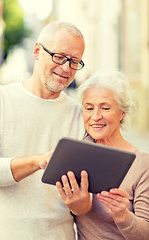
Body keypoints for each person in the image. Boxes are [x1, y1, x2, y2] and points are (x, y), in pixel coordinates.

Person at [0, 21, 88, 240]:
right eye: (59, 57)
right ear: (36, 51)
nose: (66, 68)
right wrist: (38, 161)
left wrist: (81, 203)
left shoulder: (81, 115)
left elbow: (84, 203)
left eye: (74, 61)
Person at [56, 70, 149, 239]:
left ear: (122, 113)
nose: (96, 117)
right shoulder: (77, 154)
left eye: (105, 108)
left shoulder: (142, 163)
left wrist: (123, 215)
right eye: (89, 108)